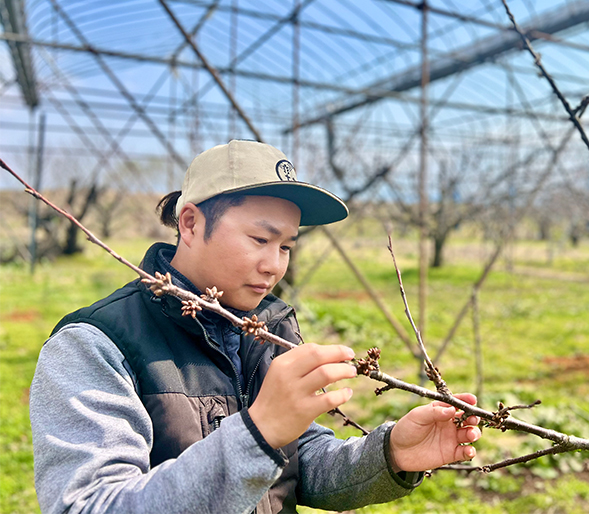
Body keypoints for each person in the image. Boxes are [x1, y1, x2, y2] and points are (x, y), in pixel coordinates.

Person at [29, 140, 481, 514]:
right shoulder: (96, 345)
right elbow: (88, 505)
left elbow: (298, 463)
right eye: (260, 239)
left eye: (286, 245)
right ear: (190, 223)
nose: (274, 266)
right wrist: (257, 432)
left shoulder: (269, 330)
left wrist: (390, 454)